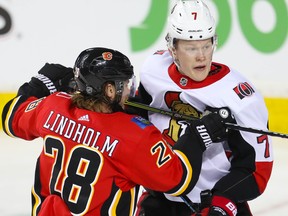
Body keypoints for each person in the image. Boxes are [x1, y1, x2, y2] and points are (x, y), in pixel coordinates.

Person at [1, 47, 233, 215]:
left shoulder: (53, 106)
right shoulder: (133, 135)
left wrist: (43, 81)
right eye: (125, 84)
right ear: (110, 90)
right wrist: (200, 134)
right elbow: (179, 178)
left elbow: (10, 118)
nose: (130, 90)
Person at [131, 0, 274, 215]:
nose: (202, 56)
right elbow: (133, 119)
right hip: (160, 200)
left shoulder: (239, 96)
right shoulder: (153, 71)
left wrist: (223, 202)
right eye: (191, 48)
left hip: (213, 204)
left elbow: (257, 171)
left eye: (206, 45)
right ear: (173, 49)